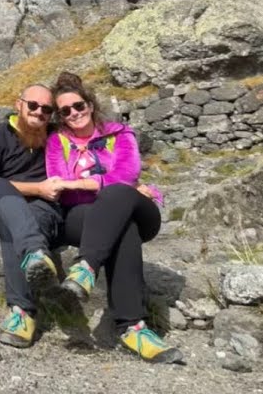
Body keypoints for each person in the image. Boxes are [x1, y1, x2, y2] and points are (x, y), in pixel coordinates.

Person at [44, 71, 182, 364]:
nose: (74, 114)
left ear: (90, 105)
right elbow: (59, 189)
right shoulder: (57, 143)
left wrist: (79, 183)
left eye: (78, 106)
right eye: (65, 111)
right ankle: (133, 328)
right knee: (123, 228)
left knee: (118, 194)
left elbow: (125, 175)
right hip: (86, 217)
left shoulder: (120, 133)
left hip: (136, 207)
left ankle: (86, 267)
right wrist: (91, 184)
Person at [0, 84, 67, 349]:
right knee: (1, 186)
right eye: (33, 105)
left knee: (11, 225)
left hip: (42, 209)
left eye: (47, 109)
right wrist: (38, 187)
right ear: (19, 104)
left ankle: (22, 314)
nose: (39, 112)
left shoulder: (54, 137)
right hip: (5, 200)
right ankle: (35, 253)